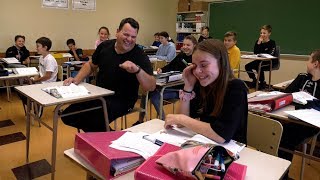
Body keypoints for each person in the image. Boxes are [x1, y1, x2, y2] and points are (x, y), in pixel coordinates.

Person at [61, 17, 156, 132]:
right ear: (117, 32)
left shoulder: (139, 55)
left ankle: (103, 139)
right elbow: (91, 65)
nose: (129, 39)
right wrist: (76, 79)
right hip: (99, 95)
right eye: (126, 35)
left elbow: (151, 86)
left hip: (122, 100)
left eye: (133, 37)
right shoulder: (105, 46)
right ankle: (109, 135)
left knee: (96, 118)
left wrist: (137, 70)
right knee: (68, 115)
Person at [164, 39, 248, 144]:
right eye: (194, 66)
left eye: (204, 65)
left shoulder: (236, 87)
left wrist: (181, 119)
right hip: (206, 143)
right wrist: (188, 86)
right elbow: (182, 124)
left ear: (221, 63)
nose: (197, 71)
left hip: (231, 150)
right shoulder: (202, 85)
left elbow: (221, 135)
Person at [138, 35, 198, 122]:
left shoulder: (196, 58)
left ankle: (163, 120)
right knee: (146, 92)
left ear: (194, 46)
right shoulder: (181, 56)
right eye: (184, 45)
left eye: (188, 45)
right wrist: (161, 69)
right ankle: (140, 120)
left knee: (155, 97)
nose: (185, 47)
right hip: (171, 86)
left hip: (181, 90)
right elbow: (170, 66)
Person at [279, 49, 320, 169]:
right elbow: (286, 95)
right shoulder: (302, 77)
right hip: (289, 116)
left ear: (315, 64)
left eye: (309, 59)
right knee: (271, 127)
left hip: (308, 124)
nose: (307, 62)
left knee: (285, 138)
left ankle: (282, 172)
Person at [245, 25, 277, 89]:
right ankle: (255, 80)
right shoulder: (258, 42)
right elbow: (256, 53)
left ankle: (262, 83)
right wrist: (259, 43)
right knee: (247, 66)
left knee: (259, 66)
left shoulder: (272, 43)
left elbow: (271, 54)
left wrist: (263, 55)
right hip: (260, 60)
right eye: (261, 33)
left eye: (264, 33)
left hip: (269, 61)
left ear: (269, 33)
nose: (262, 34)